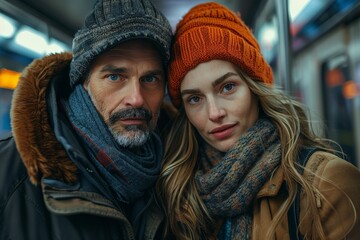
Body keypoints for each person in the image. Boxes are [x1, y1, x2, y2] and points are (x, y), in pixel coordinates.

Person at [157, 2, 360, 240]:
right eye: (194, 99)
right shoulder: (178, 190)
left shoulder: (327, 184)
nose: (214, 113)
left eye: (228, 87)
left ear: (256, 88)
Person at [0, 0, 173, 239]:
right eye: (115, 76)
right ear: (84, 81)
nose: (136, 99)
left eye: (150, 79)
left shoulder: (179, 169)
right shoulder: (9, 175)